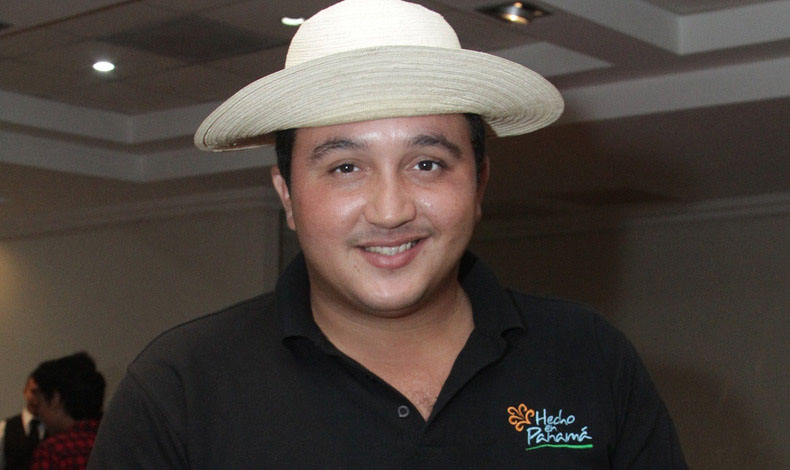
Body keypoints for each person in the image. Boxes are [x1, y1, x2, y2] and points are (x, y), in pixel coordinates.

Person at [89, 0, 687, 468]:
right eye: (345, 167)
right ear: (287, 195)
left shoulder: (588, 357)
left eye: (427, 163)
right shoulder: (180, 389)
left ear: (479, 183)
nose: (391, 209)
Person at [29, 352, 105, 470]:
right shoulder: (118, 443)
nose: (39, 414)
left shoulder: (53, 452)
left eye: (39, 403)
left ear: (55, 399)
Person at [0, 376, 46, 470]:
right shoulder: (4, 428)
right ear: (25, 392)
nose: (37, 398)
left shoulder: (56, 430)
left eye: (43, 393)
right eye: (34, 392)